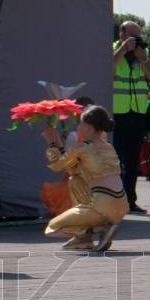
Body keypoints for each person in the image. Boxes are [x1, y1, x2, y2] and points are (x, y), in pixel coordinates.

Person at [41, 105, 127, 253]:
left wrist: (51, 142)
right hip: (122, 206)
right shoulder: (109, 147)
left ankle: (100, 228)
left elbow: (56, 165)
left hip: (101, 208)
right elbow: (73, 168)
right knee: (75, 179)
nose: (79, 127)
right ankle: (85, 237)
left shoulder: (82, 148)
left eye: (80, 124)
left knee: (52, 227)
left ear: (88, 127)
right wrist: (60, 144)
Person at [111, 21, 150, 214]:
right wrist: (122, 50)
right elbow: (105, 70)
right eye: (132, 36)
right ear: (122, 34)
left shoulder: (141, 56)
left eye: (139, 36)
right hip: (117, 113)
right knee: (116, 160)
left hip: (137, 112)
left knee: (132, 161)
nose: (136, 41)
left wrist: (144, 60)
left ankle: (130, 200)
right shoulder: (113, 51)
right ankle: (114, 200)